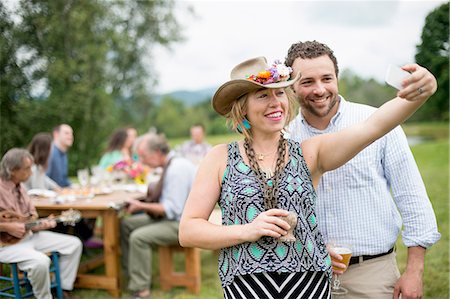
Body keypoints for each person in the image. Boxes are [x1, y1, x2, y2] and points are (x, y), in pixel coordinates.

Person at [179, 55, 437, 298]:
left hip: (308, 285)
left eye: (279, 92)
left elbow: (374, 126)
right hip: (246, 286)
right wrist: (248, 231)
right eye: (262, 95)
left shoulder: (309, 153)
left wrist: (422, 90)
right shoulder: (219, 157)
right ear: (242, 108)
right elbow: (189, 230)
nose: (275, 102)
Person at [284, 40, 441, 299]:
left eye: (327, 78)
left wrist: (415, 270)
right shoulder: (284, 137)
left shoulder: (379, 121)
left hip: (373, 273)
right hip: (304, 277)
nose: (320, 89)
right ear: (291, 85)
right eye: (307, 81)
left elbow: (411, 196)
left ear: (337, 78)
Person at [120, 133, 196, 299]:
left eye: (143, 156)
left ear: (156, 153)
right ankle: (131, 276)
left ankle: (141, 290)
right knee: (126, 225)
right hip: (174, 218)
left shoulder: (176, 169)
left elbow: (172, 209)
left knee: (138, 237)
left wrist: (140, 205)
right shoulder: (171, 164)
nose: (142, 161)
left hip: (183, 224)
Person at [0, 148, 82, 299]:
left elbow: (29, 220)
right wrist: (7, 226)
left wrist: (41, 224)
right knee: (41, 261)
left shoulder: (22, 188)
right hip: (5, 246)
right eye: (26, 169)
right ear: (12, 170)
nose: (31, 173)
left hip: (29, 236)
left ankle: (62, 289)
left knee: (74, 244)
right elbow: (10, 224)